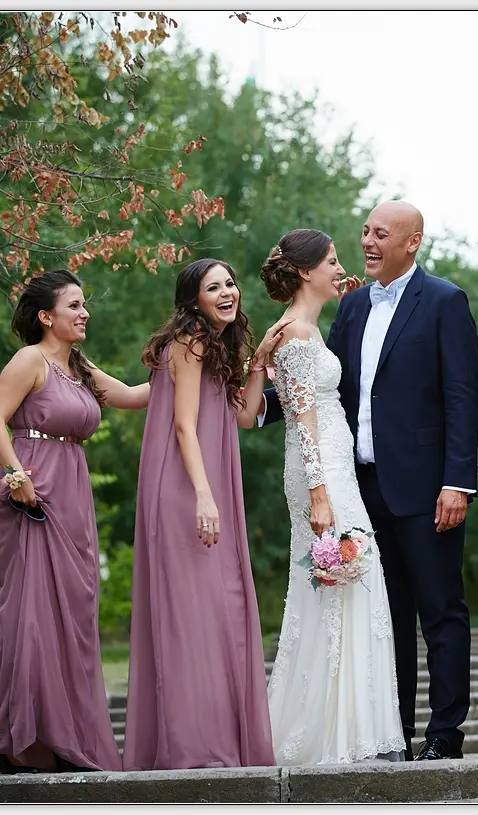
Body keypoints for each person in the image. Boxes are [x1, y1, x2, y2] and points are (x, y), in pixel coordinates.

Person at [261, 201, 478, 761]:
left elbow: (462, 397)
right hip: (358, 486)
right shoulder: (353, 304)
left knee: (440, 610)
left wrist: (457, 481)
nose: (367, 241)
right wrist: (262, 404)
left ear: (413, 241)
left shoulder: (445, 301)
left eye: (381, 233)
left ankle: (444, 736)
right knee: (386, 614)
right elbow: (321, 384)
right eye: (364, 230)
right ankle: (391, 736)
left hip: (428, 489)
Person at [0, 269, 151, 775]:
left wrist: (190, 363)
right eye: (74, 305)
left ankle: (62, 738)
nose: (84, 312)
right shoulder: (30, 360)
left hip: (73, 495)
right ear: (46, 316)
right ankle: (20, 745)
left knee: (70, 617)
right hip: (32, 493)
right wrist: (15, 476)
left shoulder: (80, 367)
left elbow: (133, 396)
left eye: (83, 304)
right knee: (29, 619)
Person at [122, 258, 290, 771]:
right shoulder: (190, 342)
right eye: (212, 287)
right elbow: (183, 426)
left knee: (222, 609)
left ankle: (219, 739)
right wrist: (203, 494)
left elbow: (244, 415)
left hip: (210, 484)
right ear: (193, 300)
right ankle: (195, 750)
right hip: (185, 488)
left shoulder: (217, 346)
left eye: (230, 284)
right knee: (194, 614)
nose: (226, 292)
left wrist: (259, 361)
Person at [258, 228, 406, 765]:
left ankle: (351, 729)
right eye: (332, 261)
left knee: (347, 583)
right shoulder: (296, 335)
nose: (340, 269)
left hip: (333, 467)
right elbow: (301, 423)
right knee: (344, 580)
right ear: (305, 271)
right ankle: (337, 735)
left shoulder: (307, 329)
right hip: (322, 474)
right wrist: (320, 495)